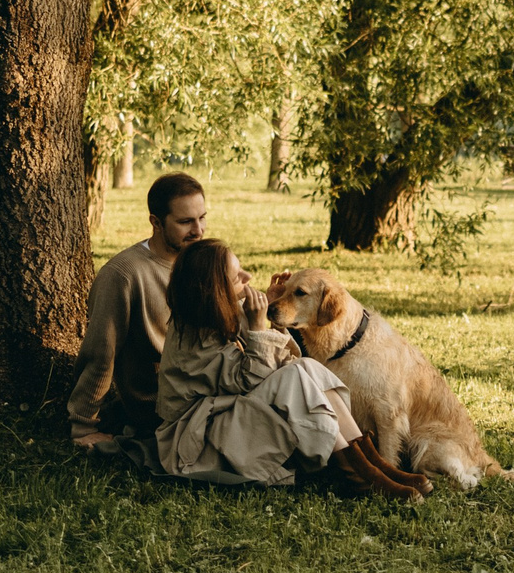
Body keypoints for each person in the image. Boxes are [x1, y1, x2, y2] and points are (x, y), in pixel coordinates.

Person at [154, 240, 426, 500]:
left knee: (305, 366)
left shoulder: (215, 311)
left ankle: (372, 463)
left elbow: (277, 361)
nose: (248, 277)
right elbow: (250, 379)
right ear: (215, 289)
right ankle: (358, 473)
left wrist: (270, 313)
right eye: (237, 277)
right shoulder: (193, 337)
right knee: (294, 374)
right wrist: (259, 329)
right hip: (198, 438)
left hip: (226, 412)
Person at [69, 171, 209, 454]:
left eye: (202, 217)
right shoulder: (123, 274)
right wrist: (83, 425)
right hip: (164, 404)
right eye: (185, 222)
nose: (199, 230)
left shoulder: (200, 259)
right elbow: (100, 352)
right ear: (156, 222)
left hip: (211, 384)